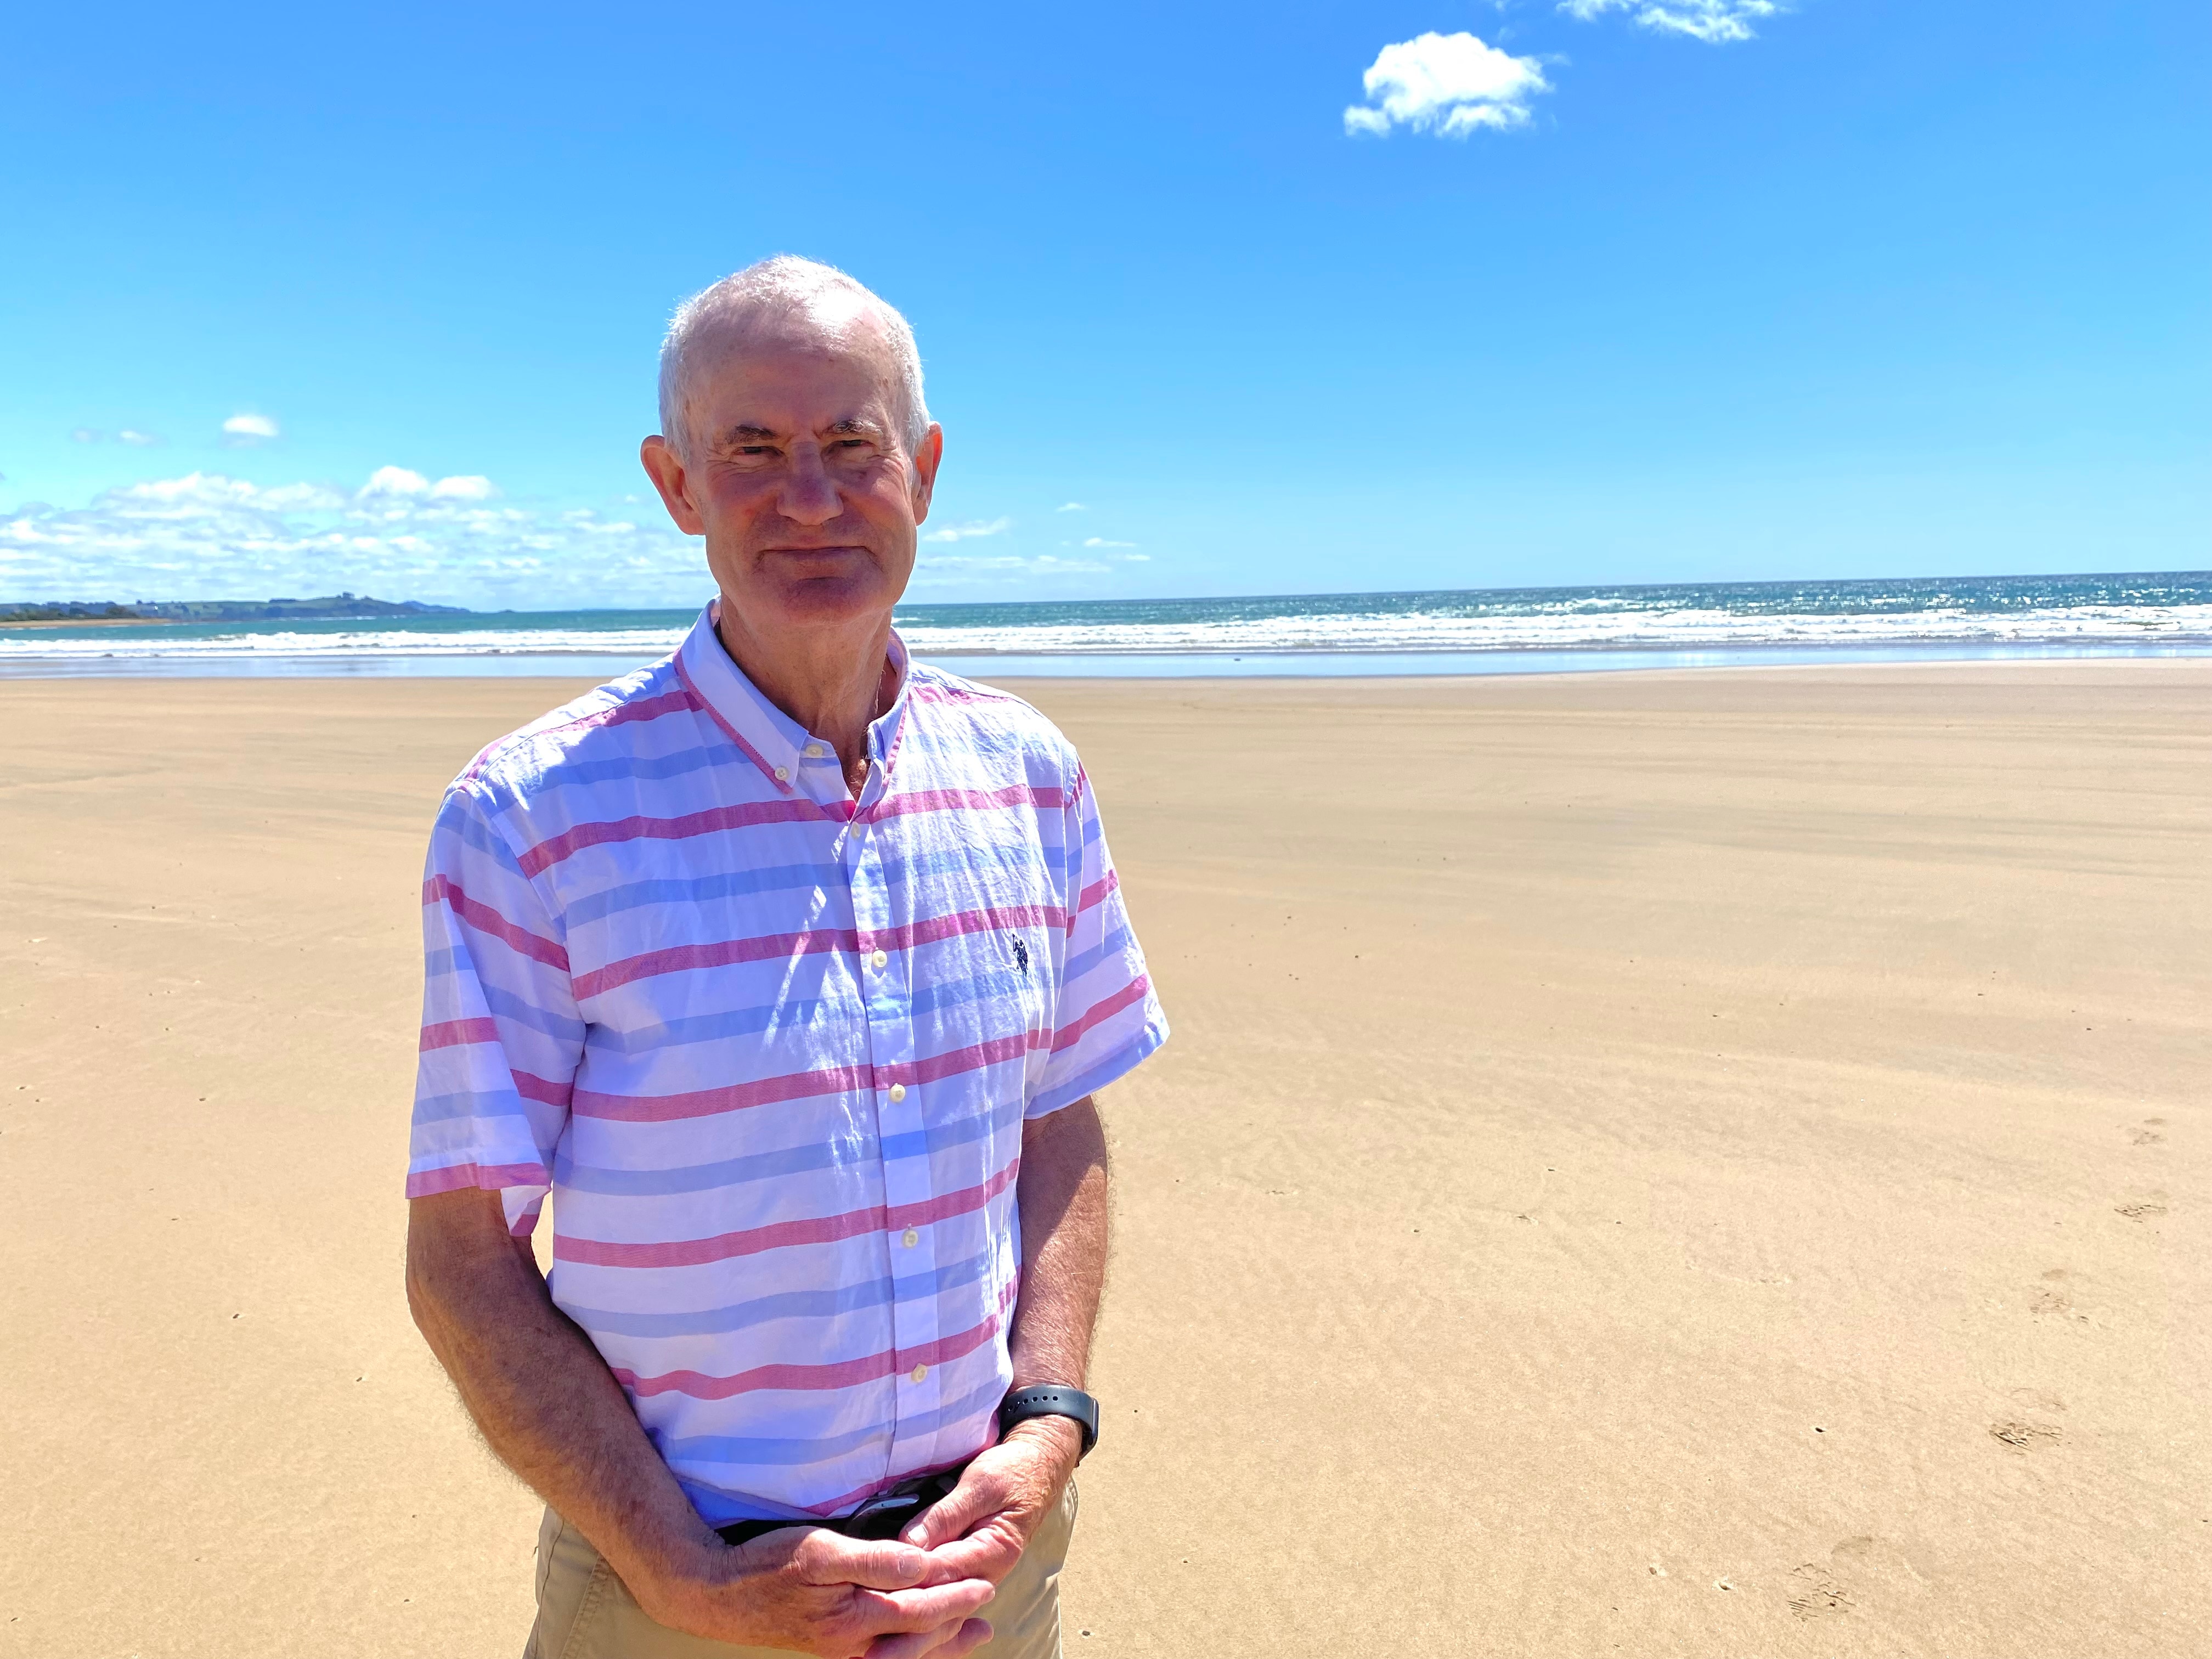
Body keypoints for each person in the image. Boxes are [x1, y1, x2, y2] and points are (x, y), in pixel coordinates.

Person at [403, 256, 1168, 1658]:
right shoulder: (533, 814)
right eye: (752, 449)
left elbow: (1059, 1125)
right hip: (675, 1588)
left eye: (851, 445)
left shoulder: (1029, 775)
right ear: (677, 485)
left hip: (981, 1565)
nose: (809, 497)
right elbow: (462, 1259)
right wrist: (679, 1569)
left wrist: (1050, 1423)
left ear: (923, 470)